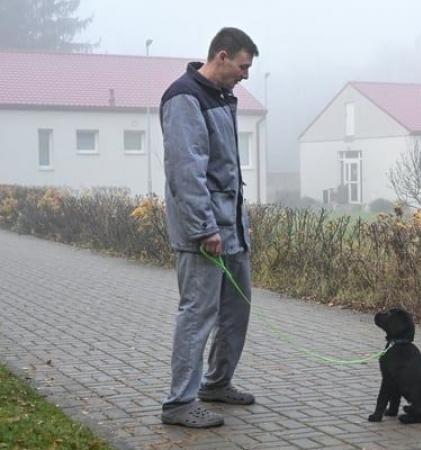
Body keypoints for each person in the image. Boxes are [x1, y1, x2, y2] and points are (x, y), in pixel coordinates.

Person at [158, 27, 259, 428]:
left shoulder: (221, 97)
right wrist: (204, 228)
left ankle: (217, 383)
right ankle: (179, 403)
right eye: (242, 66)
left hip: (231, 230)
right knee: (197, 314)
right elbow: (187, 169)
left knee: (237, 309)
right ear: (221, 56)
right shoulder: (185, 97)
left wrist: (232, 225)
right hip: (203, 234)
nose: (245, 75)